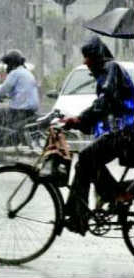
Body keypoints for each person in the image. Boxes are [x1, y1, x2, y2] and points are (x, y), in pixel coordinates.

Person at [62, 36, 134, 236]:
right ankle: (80, 213)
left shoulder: (112, 69)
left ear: (98, 57)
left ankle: (84, 213)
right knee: (86, 161)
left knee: (86, 158)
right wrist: (81, 121)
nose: (85, 62)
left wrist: (80, 119)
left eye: (89, 57)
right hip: (122, 131)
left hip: (128, 132)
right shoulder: (104, 73)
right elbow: (102, 110)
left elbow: (104, 102)